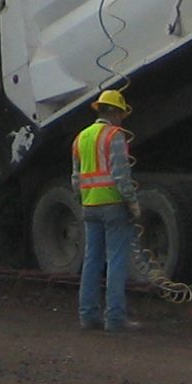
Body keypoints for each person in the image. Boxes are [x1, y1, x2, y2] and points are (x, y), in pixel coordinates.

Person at [75, 89, 140, 333]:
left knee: (91, 261)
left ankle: (88, 316)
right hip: (113, 205)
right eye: (121, 113)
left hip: (89, 205)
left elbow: (75, 178)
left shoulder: (81, 137)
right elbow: (121, 175)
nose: (122, 118)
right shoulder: (114, 136)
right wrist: (132, 202)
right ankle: (115, 319)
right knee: (116, 261)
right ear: (113, 112)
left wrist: (83, 198)